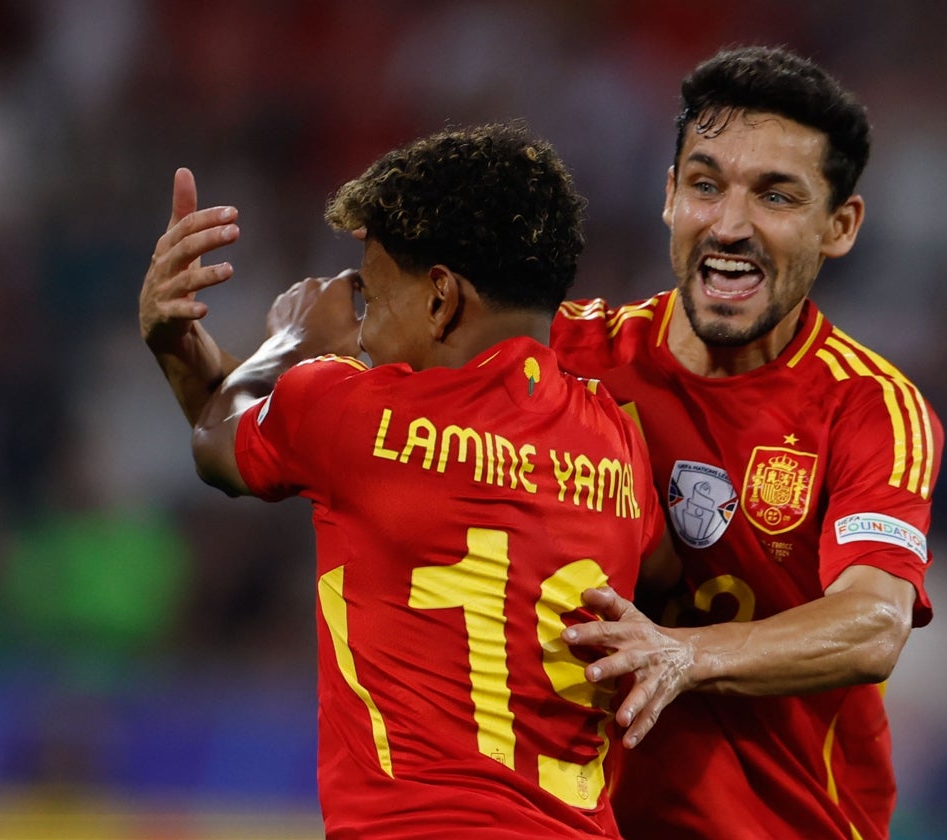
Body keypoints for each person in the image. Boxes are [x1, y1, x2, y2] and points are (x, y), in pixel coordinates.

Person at [139, 123, 665, 839]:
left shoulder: (351, 411)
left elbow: (215, 438)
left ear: (440, 298)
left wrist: (283, 345)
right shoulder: (621, 446)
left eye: (374, 300)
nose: (361, 336)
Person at [552, 46, 945, 839]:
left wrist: (683, 655)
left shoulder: (869, 407)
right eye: (705, 184)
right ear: (668, 196)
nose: (729, 225)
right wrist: (231, 372)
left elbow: (873, 623)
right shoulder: (567, 357)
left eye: (775, 195)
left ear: (840, 226)